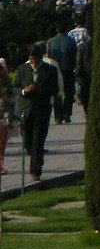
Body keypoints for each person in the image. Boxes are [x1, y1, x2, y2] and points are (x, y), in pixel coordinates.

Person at [16, 44, 59, 183]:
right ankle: (32, 155)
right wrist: (24, 91)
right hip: (26, 109)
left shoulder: (50, 70)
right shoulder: (23, 69)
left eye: (35, 59)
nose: (33, 62)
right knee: (28, 140)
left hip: (41, 110)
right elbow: (16, 87)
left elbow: (54, 89)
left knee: (38, 141)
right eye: (31, 59)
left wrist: (38, 89)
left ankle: (36, 170)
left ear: (40, 58)